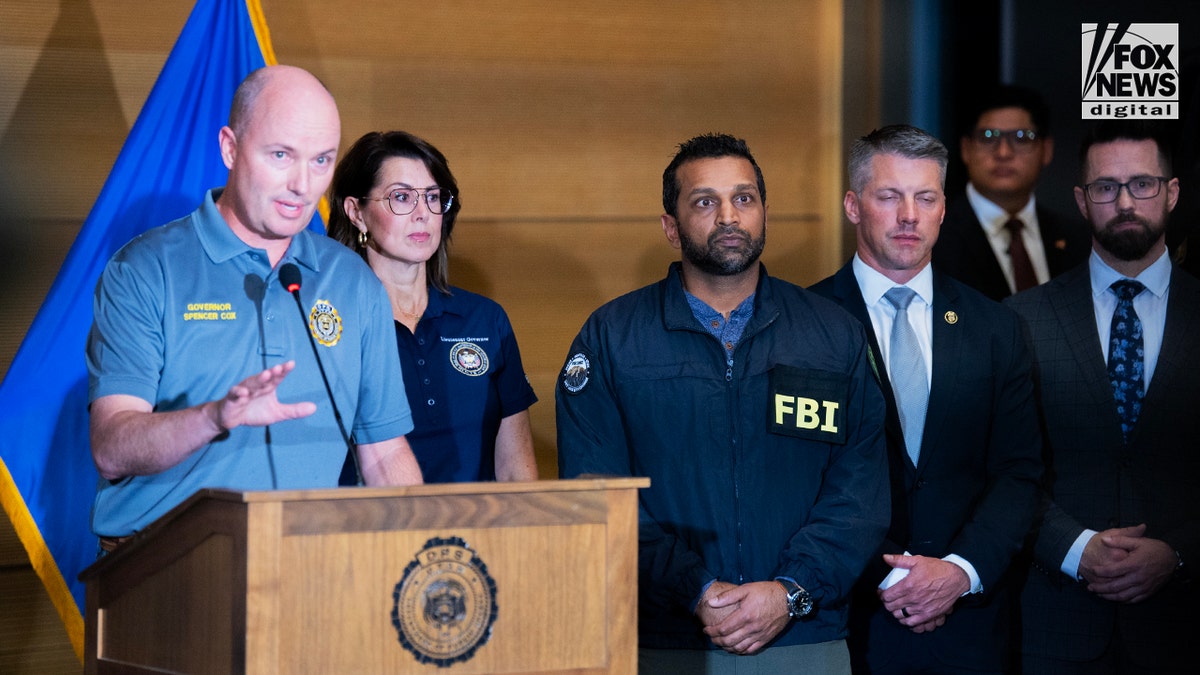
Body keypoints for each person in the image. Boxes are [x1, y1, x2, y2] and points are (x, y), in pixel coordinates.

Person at [556, 133, 890, 673]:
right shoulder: (612, 338)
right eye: (705, 202)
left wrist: (791, 591)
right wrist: (695, 590)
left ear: (763, 213)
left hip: (806, 638)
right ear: (671, 226)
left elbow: (860, 490)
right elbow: (596, 494)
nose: (729, 216)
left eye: (745, 198)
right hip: (663, 642)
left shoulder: (832, 336)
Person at [86, 66, 423, 545]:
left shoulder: (352, 281)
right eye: (281, 155)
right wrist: (214, 417)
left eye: (322, 160)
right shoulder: (145, 270)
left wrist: (425, 552)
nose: (302, 185)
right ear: (230, 147)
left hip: (307, 565)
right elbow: (112, 447)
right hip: (160, 568)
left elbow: (384, 453)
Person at [809, 124, 1042, 674]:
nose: (908, 215)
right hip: (849, 621)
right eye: (889, 196)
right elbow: (797, 476)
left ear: (943, 209)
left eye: (925, 197)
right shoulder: (803, 323)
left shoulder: (995, 327)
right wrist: (892, 578)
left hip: (971, 625)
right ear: (852, 205)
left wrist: (959, 571)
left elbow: (1018, 471)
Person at [1007, 120, 1200, 674]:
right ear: (1081, 198)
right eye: (1104, 187)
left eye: (1142, 184)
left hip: (1184, 628)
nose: (1123, 202)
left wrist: (1179, 552)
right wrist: (1072, 547)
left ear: (1172, 191)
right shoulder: (1019, 321)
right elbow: (997, 469)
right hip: (1052, 626)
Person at [326, 131, 538, 483]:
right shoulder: (330, 324)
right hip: (367, 532)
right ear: (356, 213)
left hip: (476, 533)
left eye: (433, 197)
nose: (423, 213)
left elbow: (517, 470)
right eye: (402, 197)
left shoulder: (485, 320)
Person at [933, 85, 1090, 301]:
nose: (1004, 152)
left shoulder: (1080, 240)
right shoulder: (934, 236)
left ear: (1046, 149)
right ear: (966, 149)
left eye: (1021, 137)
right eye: (988, 137)